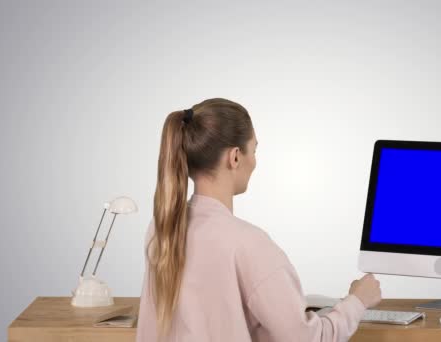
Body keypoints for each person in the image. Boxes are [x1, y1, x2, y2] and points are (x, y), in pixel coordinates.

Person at [136, 98, 382, 342]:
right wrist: (358, 301)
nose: (254, 160)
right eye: (254, 150)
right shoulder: (246, 243)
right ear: (234, 157)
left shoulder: (161, 231)